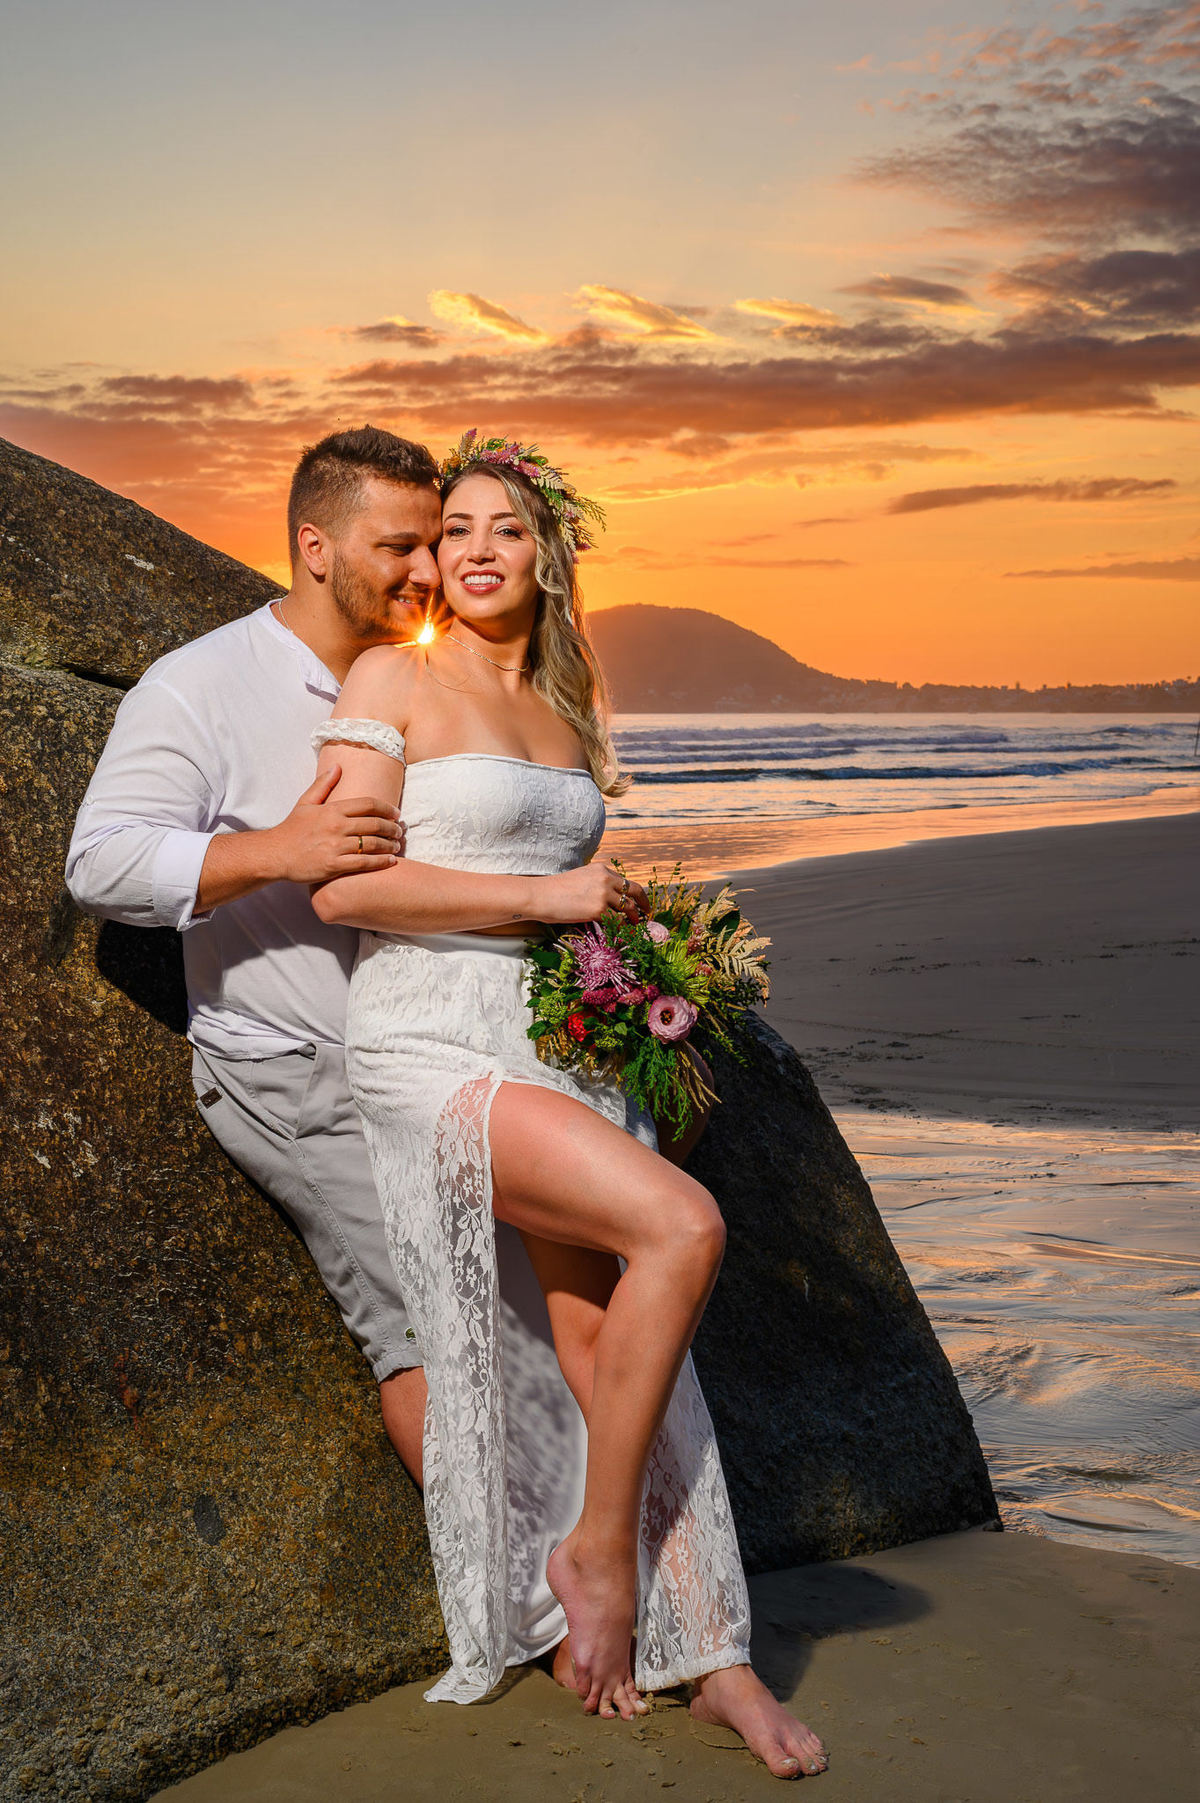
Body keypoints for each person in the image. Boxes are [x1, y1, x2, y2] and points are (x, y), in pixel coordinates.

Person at [307, 434, 830, 1780]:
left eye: (507, 530)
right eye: (455, 529)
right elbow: (345, 890)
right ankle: (594, 1548)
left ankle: (718, 1657)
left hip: (554, 1049)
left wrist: (642, 998)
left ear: (551, 558)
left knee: (613, 1352)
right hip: (430, 1040)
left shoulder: (565, 708)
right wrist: (549, 900)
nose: (475, 549)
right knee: (685, 1228)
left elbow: (571, 899)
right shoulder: (390, 677)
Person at [65, 425, 595, 1483]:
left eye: (432, 542)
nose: (427, 568)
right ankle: (520, 1606)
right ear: (315, 547)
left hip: (441, 1048)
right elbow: (99, 861)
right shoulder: (201, 685)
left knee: (544, 1317)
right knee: (429, 1325)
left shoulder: (430, 674)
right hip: (299, 1065)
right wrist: (277, 852)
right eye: (399, 546)